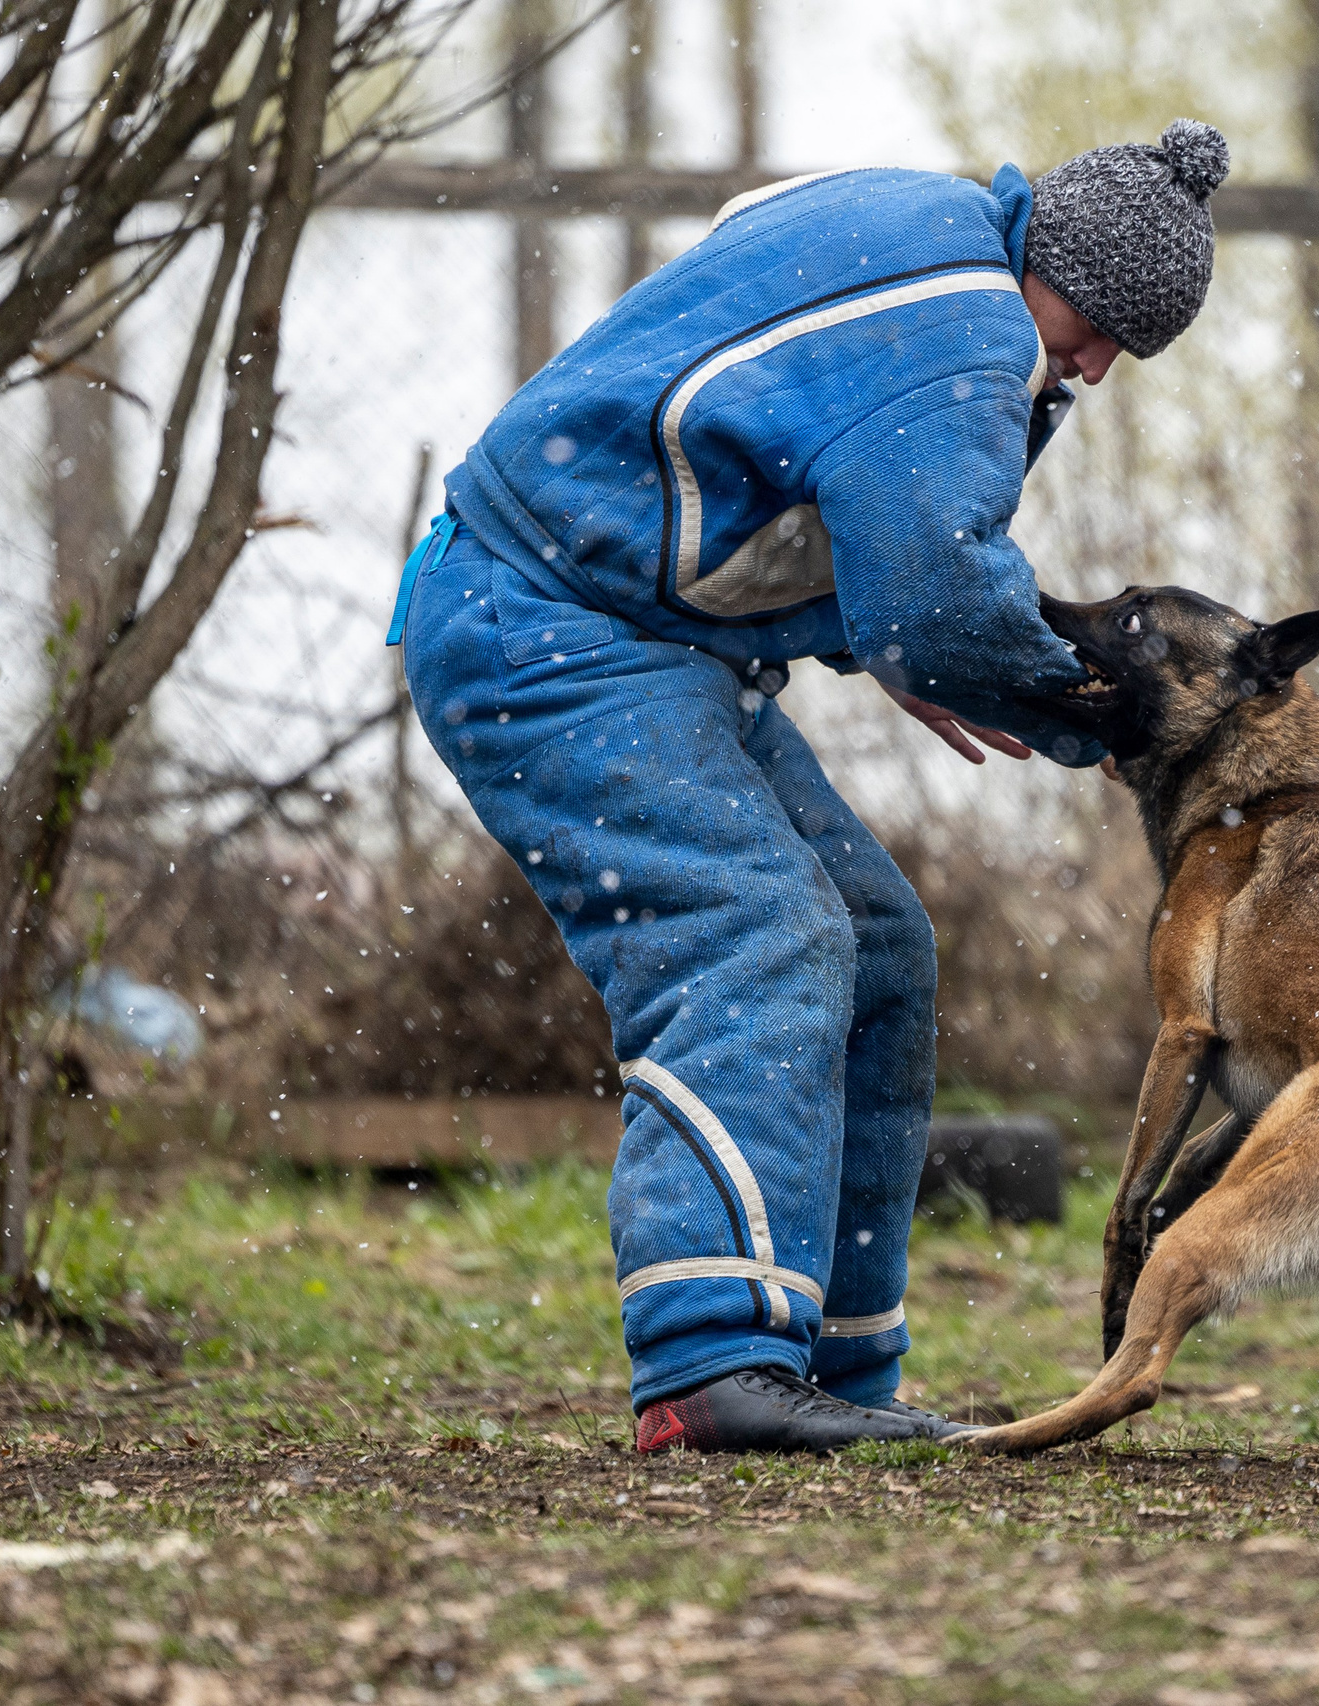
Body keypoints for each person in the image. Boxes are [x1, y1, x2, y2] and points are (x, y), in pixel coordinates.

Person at [390, 121, 1230, 1451]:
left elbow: (777, 422)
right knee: (756, 931)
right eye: (1094, 325)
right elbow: (941, 596)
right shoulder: (967, 326)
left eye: (1127, 348)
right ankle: (710, 1366)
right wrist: (1128, 724)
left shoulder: (919, 226)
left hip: (630, 626)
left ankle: (832, 1362)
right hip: (541, 624)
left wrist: (866, 618)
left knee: (880, 945)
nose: (1094, 362)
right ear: (1047, 257)